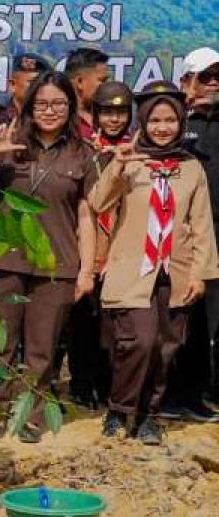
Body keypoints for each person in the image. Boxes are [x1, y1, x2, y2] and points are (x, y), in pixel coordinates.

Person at [90, 84, 219, 444]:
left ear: (180, 123)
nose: (163, 128)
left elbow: (202, 222)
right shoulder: (130, 160)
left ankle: (150, 415)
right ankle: (120, 409)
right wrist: (118, 165)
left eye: (171, 121)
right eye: (156, 121)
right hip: (133, 269)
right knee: (139, 341)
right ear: (143, 123)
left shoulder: (191, 167)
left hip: (174, 271)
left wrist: (201, 273)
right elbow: (98, 202)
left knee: (166, 347)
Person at [0, 70, 97, 443]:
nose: (49, 111)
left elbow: (86, 214)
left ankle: (30, 415)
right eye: (42, 103)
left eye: (58, 104)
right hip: (4, 260)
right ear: (30, 106)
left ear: (70, 107)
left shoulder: (83, 154)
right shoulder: (10, 141)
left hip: (56, 265)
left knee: (42, 348)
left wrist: (86, 271)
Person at [63, 81, 134, 408]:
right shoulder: (83, 150)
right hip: (87, 246)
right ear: (96, 114)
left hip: (122, 249)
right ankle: (81, 384)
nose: (115, 120)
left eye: (121, 112)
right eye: (108, 112)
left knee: (113, 327)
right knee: (83, 324)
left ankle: (109, 386)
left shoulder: (137, 152)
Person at [172, 48, 219, 418]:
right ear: (186, 80)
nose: (213, 83)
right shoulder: (170, 121)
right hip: (181, 235)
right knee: (186, 316)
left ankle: (209, 391)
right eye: (205, 76)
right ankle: (178, 394)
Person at [0, 52, 52, 153]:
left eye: (44, 83)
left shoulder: (50, 116)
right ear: (12, 85)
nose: (39, 88)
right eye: (33, 83)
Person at [63, 47, 111, 141]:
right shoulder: (58, 121)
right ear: (80, 82)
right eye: (102, 80)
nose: (107, 86)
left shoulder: (115, 119)